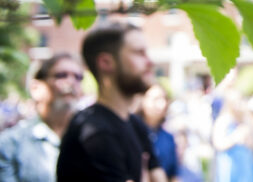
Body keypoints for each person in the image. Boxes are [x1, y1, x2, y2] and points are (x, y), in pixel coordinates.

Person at [57, 23, 167, 182]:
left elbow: (158, 175)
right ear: (106, 62)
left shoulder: (135, 124)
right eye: (139, 53)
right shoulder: (94, 131)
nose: (150, 62)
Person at [0, 52, 83, 182]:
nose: (71, 82)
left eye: (78, 77)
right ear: (36, 88)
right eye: (61, 75)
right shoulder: (10, 143)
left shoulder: (93, 138)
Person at [139, 84, 179, 181]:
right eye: (156, 99)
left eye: (164, 99)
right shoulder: (133, 133)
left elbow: (173, 174)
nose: (162, 104)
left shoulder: (168, 138)